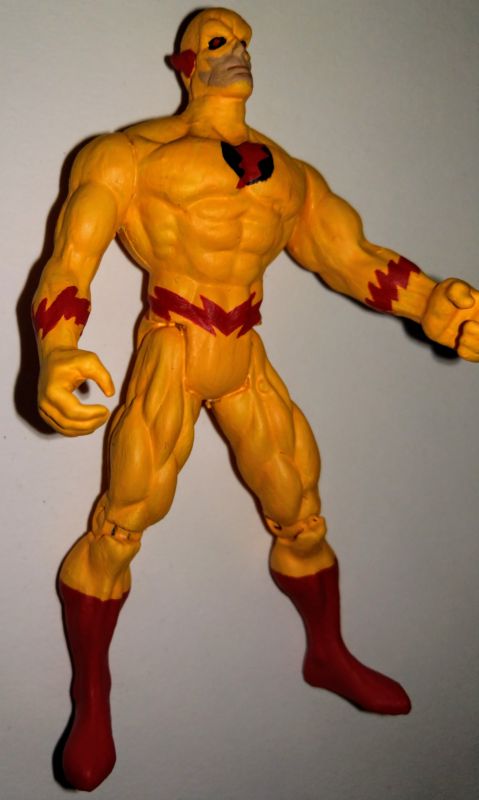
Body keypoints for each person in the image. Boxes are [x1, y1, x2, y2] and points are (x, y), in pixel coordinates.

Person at [33, 7, 479, 791]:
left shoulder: (288, 174)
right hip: (173, 344)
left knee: (300, 508)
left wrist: (431, 304)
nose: (236, 51)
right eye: (217, 42)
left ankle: (326, 654)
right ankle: (91, 697)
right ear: (185, 66)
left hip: (243, 351)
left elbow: (351, 258)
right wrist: (56, 350)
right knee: (122, 520)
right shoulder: (127, 155)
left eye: (242, 42)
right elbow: (73, 258)